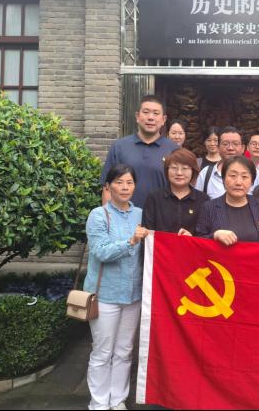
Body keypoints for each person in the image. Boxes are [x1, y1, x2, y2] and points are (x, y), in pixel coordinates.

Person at [85, 164, 149, 411]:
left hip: (133, 295)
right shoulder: (98, 215)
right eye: (119, 182)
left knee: (124, 351)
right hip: (105, 296)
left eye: (129, 182)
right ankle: (99, 403)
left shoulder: (141, 214)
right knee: (102, 352)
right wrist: (130, 242)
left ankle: (118, 399)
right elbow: (101, 252)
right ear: (108, 186)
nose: (124, 187)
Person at [100, 95, 178, 209]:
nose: (150, 117)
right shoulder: (120, 147)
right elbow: (107, 188)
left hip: (161, 216)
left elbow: (181, 189)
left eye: (156, 113)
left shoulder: (173, 150)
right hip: (124, 216)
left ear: (163, 119)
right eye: (146, 112)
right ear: (137, 116)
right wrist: (108, 216)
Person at [196, 155, 259, 244]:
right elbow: (198, 242)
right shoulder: (209, 208)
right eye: (233, 176)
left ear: (252, 182)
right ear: (223, 179)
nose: (238, 182)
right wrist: (214, 235)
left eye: (244, 177)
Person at [143, 148, 210, 236]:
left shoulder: (203, 200)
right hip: (160, 245)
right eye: (174, 168)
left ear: (193, 171)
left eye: (185, 168)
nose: (179, 173)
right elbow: (147, 234)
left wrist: (191, 238)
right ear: (167, 170)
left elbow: (205, 235)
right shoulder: (154, 198)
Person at [195, 126, 259, 199]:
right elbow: (198, 201)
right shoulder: (206, 173)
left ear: (243, 148)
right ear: (218, 148)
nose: (230, 148)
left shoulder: (254, 172)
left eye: (235, 144)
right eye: (225, 144)